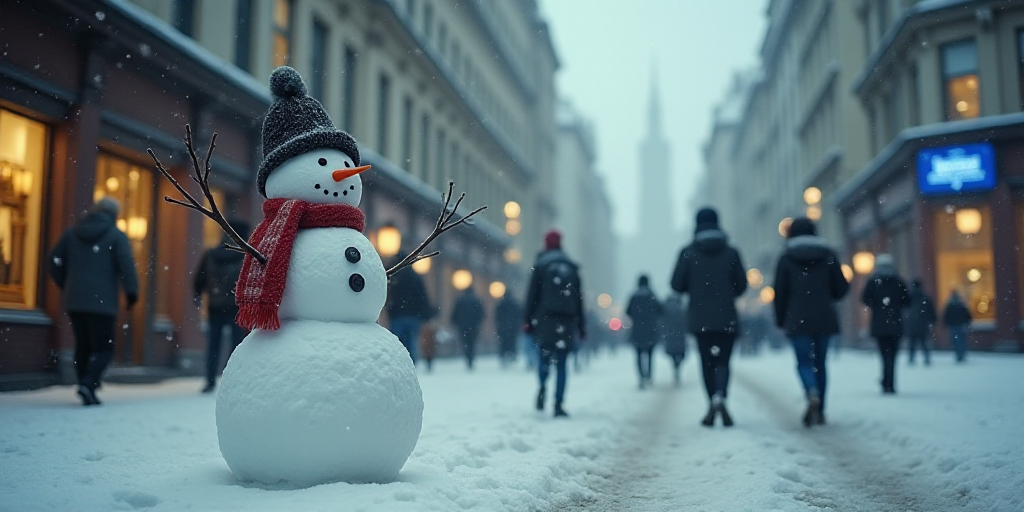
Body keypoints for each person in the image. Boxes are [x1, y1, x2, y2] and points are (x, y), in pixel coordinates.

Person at [49, 197, 139, 406]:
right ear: (114, 214)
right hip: (103, 303)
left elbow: (54, 260)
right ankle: (88, 384)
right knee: (105, 348)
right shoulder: (116, 236)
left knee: (83, 346)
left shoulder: (72, 233)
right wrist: (131, 292)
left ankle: (84, 383)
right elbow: (126, 266)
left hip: (75, 301)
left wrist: (67, 284)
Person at [671, 207, 747, 427]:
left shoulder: (688, 252)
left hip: (700, 317)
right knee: (723, 360)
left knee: (707, 362)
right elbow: (741, 285)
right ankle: (721, 395)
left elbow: (676, 284)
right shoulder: (731, 252)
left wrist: (695, 287)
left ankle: (711, 400)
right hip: (726, 317)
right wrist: (725, 290)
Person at [772, 217, 849, 427]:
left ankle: (810, 391)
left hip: (797, 319)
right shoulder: (828, 255)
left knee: (804, 362)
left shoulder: (786, 258)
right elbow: (841, 289)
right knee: (820, 363)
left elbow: (780, 293)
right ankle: (821, 410)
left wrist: (780, 320)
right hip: (824, 317)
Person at [525, 230, 585, 418]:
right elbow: (579, 300)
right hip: (566, 322)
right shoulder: (571, 266)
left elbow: (532, 296)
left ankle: (543, 383)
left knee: (543, 358)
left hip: (545, 320)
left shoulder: (541, 264)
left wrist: (527, 320)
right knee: (562, 363)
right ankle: (558, 403)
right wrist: (581, 325)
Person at [193, 220, 250, 393]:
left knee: (213, 345)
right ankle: (235, 380)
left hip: (215, 305)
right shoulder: (245, 254)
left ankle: (210, 380)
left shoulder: (211, 254)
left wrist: (197, 294)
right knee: (237, 345)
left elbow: (199, 280)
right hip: (236, 307)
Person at [861, 254, 910, 394]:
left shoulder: (873, 281)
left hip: (879, 323)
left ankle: (886, 380)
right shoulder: (898, 281)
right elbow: (907, 300)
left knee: (884, 354)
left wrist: (877, 306)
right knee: (893, 354)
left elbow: (865, 298)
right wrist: (895, 307)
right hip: (895, 322)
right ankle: (891, 382)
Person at [386, 250, 434, 365]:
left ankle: (398, 363)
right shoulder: (416, 278)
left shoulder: (395, 277)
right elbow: (423, 297)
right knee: (411, 341)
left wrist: (390, 311)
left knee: (397, 342)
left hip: (397, 315)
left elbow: (389, 296)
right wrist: (425, 314)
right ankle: (411, 364)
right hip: (413, 316)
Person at [626, 275, 663, 389]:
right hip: (650, 330)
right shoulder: (652, 296)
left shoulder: (634, 296)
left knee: (638, 355)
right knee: (650, 355)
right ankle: (649, 376)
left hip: (637, 330)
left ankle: (641, 377)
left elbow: (628, 311)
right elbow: (660, 310)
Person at [451, 287, 485, 370]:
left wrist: (456, 322)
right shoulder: (476, 301)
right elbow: (481, 314)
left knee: (465, 342)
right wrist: (477, 322)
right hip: (473, 326)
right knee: (472, 343)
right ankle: (470, 357)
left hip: (463, 326)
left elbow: (454, 314)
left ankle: (467, 357)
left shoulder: (460, 301)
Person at [905, 280, 937, 366]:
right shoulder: (924, 297)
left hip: (912, 324)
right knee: (923, 342)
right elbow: (931, 311)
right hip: (922, 324)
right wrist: (932, 321)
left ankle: (912, 358)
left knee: (912, 343)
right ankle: (926, 358)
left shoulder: (909, 297)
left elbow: (904, 311)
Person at [660, 294, 689, 387]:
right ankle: (677, 365)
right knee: (681, 353)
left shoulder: (665, 309)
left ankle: (675, 365)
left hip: (670, 335)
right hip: (680, 335)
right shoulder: (682, 308)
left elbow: (661, 323)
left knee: (672, 353)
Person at [942, 291, 972, 363]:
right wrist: (967, 322)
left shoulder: (950, 305)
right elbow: (967, 315)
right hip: (960, 325)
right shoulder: (961, 305)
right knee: (961, 340)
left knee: (956, 341)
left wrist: (946, 323)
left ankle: (959, 355)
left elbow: (946, 316)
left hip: (954, 325)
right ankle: (961, 354)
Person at [495, 292, 523, 367]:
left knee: (503, 342)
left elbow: (497, 316)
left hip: (503, 327)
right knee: (512, 342)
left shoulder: (500, 304)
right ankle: (512, 355)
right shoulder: (515, 304)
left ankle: (503, 356)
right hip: (513, 327)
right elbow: (520, 315)